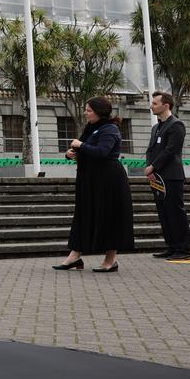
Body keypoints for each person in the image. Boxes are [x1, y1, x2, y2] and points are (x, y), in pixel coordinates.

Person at [55, 97, 134, 273]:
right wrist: (71, 153)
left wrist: (80, 145)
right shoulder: (91, 128)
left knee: (109, 217)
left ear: (99, 112)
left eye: (89, 110)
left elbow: (102, 152)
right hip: (89, 180)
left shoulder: (110, 129)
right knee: (84, 216)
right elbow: (83, 150)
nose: (85, 113)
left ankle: (110, 260)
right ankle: (74, 257)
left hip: (108, 181)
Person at [146, 91, 190, 261]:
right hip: (157, 177)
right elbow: (151, 150)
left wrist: (153, 167)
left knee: (175, 212)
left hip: (172, 176)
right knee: (164, 213)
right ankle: (171, 247)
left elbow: (171, 150)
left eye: (155, 103)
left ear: (166, 105)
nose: (151, 106)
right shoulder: (156, 127)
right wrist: (150, 170)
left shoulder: (176, 125)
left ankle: (183, 249)